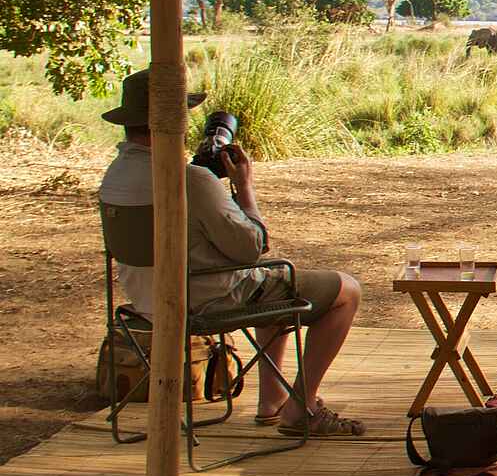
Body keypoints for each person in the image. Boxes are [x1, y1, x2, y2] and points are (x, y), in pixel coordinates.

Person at [96, 68, 364, 435]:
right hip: (206, 299)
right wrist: (244, 188)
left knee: (277, 286)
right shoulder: (189, 179)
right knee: (345, 291)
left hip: (146, 302)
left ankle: (272, 401)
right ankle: (301, 406)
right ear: (175, 119)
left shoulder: (114, 175)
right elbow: (251, 248)